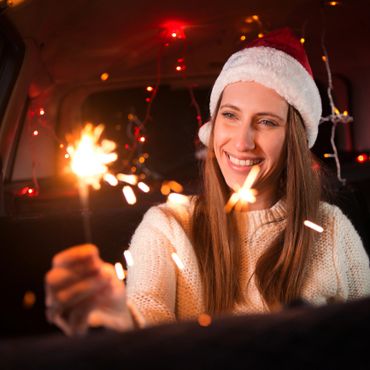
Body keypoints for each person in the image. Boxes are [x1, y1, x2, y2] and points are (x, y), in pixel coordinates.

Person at [45, 28, 370, 336]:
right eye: (230, 115)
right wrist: (117, 317)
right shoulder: (168, 226)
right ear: (213, 127)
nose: (242, 142)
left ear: (293, 141)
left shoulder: (331, 228)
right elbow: (147, 318)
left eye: (267, 122)